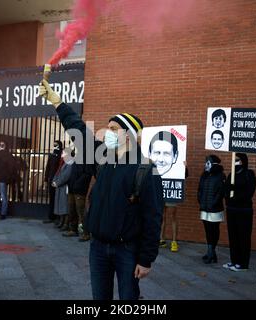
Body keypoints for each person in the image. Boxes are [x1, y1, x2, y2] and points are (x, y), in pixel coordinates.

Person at [39, 79, 163, 300]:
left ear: (130, 135)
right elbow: (78, 129)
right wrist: (57, 102)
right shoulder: (102, 157)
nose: (108, 133)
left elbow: (153, 217)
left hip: (127, 251)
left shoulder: (146, 169)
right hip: (98, 248)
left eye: (114, 129)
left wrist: (146, 259)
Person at [223, 153, 256, 271]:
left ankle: (243, 263)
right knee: (233, 236)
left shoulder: (249, 174)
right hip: (231, 209)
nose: (235, 162)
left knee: (243, 236)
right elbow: (226, 189)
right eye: (234, 160)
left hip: (244, 210)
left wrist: (235, 193)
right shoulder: (232, 174)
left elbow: (249, 191)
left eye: (237, 160)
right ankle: (234, 260)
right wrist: (228, 197)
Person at [197, 155, 225, 264]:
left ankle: (211, 252)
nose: (206, 164)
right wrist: (200, 199)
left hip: (215, 209)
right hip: (204, 208)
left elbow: (221, 192)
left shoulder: (221, 175)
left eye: (208, 162)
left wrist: (214, 203)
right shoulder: (204, 175)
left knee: (214, 230)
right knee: (207, 230)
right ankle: (210, 252)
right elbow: (200, 189)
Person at [159, 163, 188, 252]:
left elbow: (185, 175)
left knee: (173, 216)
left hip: (171, 189)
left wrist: (184, 167)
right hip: (161, 190)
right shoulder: (159, 159)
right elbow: (154, 174)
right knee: (162, 216)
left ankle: (174, 241)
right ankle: (162, 239)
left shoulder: (177, 161)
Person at [63, 159, 93, 238]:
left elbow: (87, 174)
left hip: (80, 190)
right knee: (71, 210)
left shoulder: (86, 158)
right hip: (72, 189)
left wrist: (77, 184)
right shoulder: (75, 159)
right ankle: (73, 229)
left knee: (81, 212)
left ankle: (86, 233)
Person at [52, 147, 74, 231]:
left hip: (65, 187)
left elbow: (66, 176)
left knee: (64, 205)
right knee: (61, 204)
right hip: (60, 186)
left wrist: (57, 182)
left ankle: (65, 223)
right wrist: (54, 181)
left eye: (63, 153)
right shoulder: (65, 162)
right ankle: (61, 221)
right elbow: (58, 173)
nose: (62, 155)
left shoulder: (70, 163)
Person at [43, 141, 63, 223]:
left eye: (56, 145)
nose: (55, 146)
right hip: (51, 179)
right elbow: (48, 167)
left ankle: (59, 217)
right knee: (52, 198)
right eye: (54, 144)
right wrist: (46, 179)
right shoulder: (51, 155)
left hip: (59, 179)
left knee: (59, 198)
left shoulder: (62, 155)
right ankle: (51, 216)